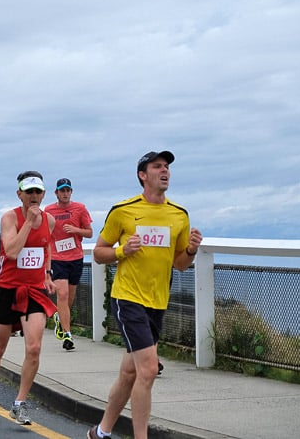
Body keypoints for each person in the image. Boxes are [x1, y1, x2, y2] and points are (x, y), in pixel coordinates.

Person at [88, 151, 202, 439]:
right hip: (128, 298)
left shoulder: (179, 215)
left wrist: (190, 250)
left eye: (167, 167)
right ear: (143, 174)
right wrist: (121, 251)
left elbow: (180, 264)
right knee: (149, 370)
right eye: (157, 167)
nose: (165, 171)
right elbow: (98, 253)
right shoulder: (123, 210)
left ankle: (101, 432)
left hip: (157, 301)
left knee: (129, 373)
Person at [0, 171, 56, 426]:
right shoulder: (10, 217)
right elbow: (11, 251)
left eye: (38, 192)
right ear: (20, 194)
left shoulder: (50, 221)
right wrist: (28, 223)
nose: (34, 197)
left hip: (34, 290)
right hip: (6, 289)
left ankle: (20, 403)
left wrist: (47, 273)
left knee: (34, 347)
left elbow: (46, 247)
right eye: (29, 192)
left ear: (43, 194)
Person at [43, 178, 93, 351]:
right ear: (56, 193)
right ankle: (67, 335)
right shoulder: (49, 211)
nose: (65, 193)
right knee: (62, 295)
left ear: (71, 192)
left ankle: (59, 318)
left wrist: (76, 230)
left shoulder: (80, 208)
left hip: (76, 258)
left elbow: (89, 232)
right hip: (57, 258)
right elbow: (45, 235)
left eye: (68, 190)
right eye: (62, 191)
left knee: (69, 299)